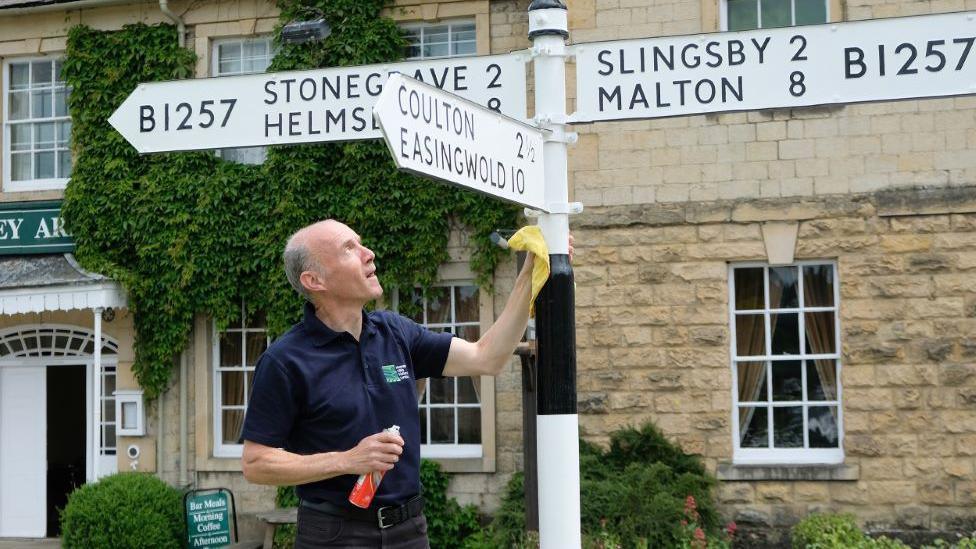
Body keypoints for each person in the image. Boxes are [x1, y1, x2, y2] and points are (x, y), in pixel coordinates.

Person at [241, 219, 569, 548]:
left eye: (360, 243)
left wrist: (529, 273)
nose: (368, 254)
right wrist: (348, 459)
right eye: (348, 249)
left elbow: (487, 357)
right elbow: (256, 463)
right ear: (314, 280)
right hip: (335, 534)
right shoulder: (285, 360)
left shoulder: (395, 332)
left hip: (409, 531)